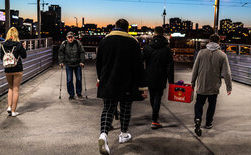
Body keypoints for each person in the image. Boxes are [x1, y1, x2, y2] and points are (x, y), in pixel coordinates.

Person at [96, 19, 148, 155]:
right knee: (125, 108)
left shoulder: (104, 41)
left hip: (108, 81)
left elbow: (99, 63)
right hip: (127, 82)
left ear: (115, 27)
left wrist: (99, 78)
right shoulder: (133, 42)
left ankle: (103, 135)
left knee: (108, 109)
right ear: (127, 28)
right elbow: (138, 66)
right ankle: (123, 134)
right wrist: (143, 87)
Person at [191, 34, 232, 137]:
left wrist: (192, 82)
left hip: (202, 84)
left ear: (209, 41)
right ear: (219, 42)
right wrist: (229, 87)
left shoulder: (201, 53)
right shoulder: (222, 55)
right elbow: (227, 73)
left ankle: (198, 118)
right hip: (214, 85)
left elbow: (195, 69)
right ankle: (208, 123)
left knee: (199, 103)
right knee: (212, 105)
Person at [142, 26, 174, 129]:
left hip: (149, 75)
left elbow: (140, 62)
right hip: (161, 76)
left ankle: (154, 115)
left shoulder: (147, 47)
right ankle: (154, 120)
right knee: (158, 97)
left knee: (152, 96)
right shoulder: (166, 49)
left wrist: (142, 75)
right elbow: (170, 65)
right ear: (163, 34)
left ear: (154, 34)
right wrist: (171, 80)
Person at [0, 27, 27, 117]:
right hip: (17, 69)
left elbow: (1, 58)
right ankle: (13, 111)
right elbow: (24, 56)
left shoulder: (3, 45)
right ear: (16, 34)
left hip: (7, 69)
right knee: (16, 89)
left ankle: (8, 106)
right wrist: (24, 48)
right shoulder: (18, 44)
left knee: (10, 88)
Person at [58, 32, 85, 100]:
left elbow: (82, 52)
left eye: (71, 37)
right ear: (67, 38)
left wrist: (82, 61)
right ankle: (71, 94)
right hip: (68, 64)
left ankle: (79, 93)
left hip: (77, 64)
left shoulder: (78, 43)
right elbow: (61, 53)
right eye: (69, 37)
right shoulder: (64, 44)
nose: (70, 38)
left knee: (79, 79)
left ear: (74, 37)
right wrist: (61, 61)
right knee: (69, 80)